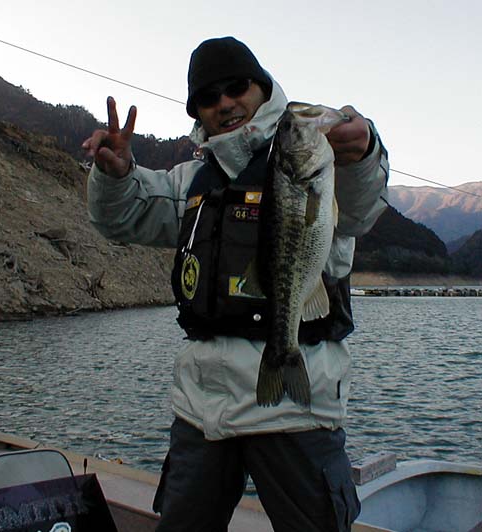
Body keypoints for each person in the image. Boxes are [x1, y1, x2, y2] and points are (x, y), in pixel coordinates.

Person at [84, 36, 389, 532]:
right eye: (208, 97)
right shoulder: (191, 181)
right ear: (197, 113)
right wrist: (116, 177)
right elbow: (124, 216)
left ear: (262, 87)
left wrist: (363, 154)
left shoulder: (320, 164)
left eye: (237, 87)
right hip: (201, 407)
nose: (225, 103)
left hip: (297, 410)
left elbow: (358, 210)